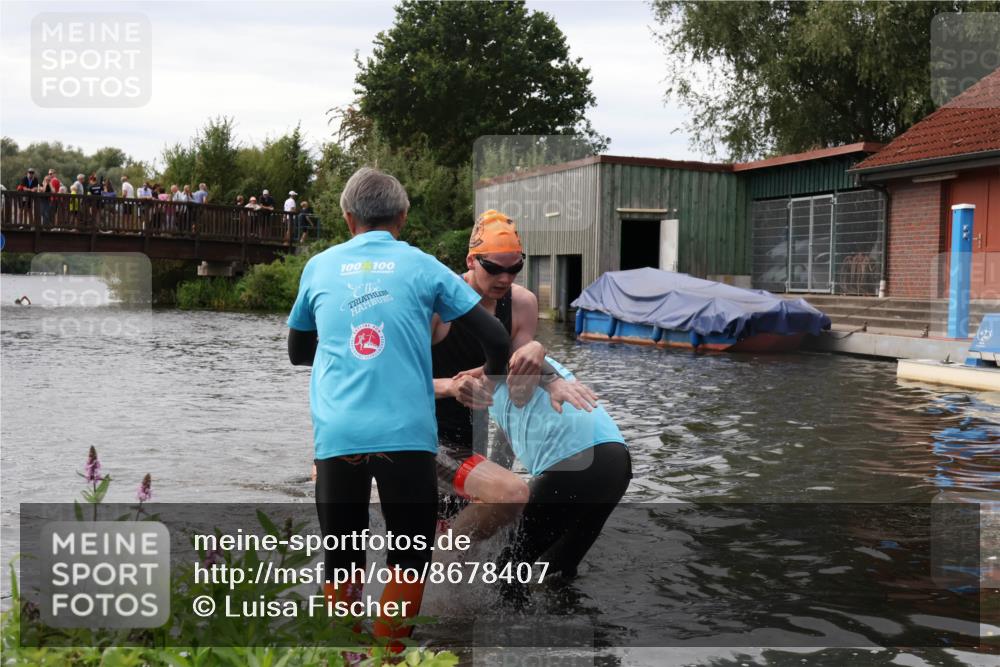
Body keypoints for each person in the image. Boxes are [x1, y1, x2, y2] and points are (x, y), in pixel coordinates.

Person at [287, 167, 510, 650]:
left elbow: (297, 353)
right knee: (409, 555)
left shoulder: (319, 266)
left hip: (339, 433)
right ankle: (390, 655)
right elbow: (495, 335)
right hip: (407, 437)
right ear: (402, 218)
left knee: (342, 556)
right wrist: (489, 380)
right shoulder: (425, 266)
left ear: (349, 219)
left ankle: (345, 655)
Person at [430, 210, 598, 540]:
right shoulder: (439, 305)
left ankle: (453, 557)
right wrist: (452, 386)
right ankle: (444, 559)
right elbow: (397, 383)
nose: (506, 279)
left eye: (515, 268)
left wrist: (537, 352)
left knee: (495, 505)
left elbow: (518, 384)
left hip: (474, 439)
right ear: (471, 260)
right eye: (494, 268)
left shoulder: (522, 304)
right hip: (425, 435)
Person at [484, 356, 631, 584]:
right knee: (555, 574)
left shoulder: (497, 356)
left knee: (505, 570)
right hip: (616, 462)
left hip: (577, 466)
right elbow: (501, 458)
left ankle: (513, 621)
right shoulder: (515, 368)